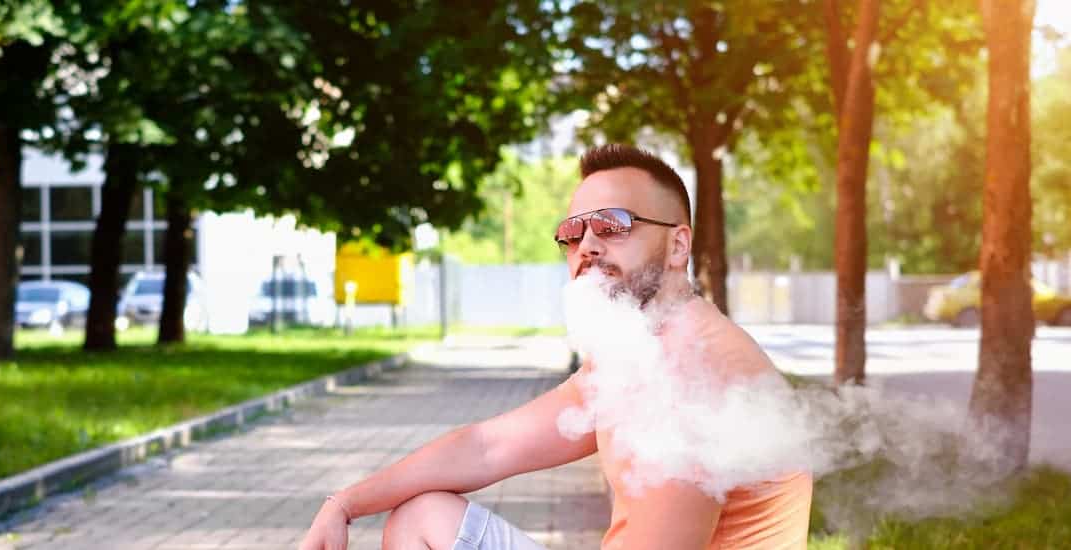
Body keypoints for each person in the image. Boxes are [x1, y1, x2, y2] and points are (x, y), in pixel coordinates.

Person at [298, 144, 812, 550]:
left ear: (678, 245)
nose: (587, 245)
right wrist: (344, 503)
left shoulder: (693, 379)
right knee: (422, 517)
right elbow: (486, 446)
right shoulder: (642, 351)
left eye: (613, 225)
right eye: (573, 232)